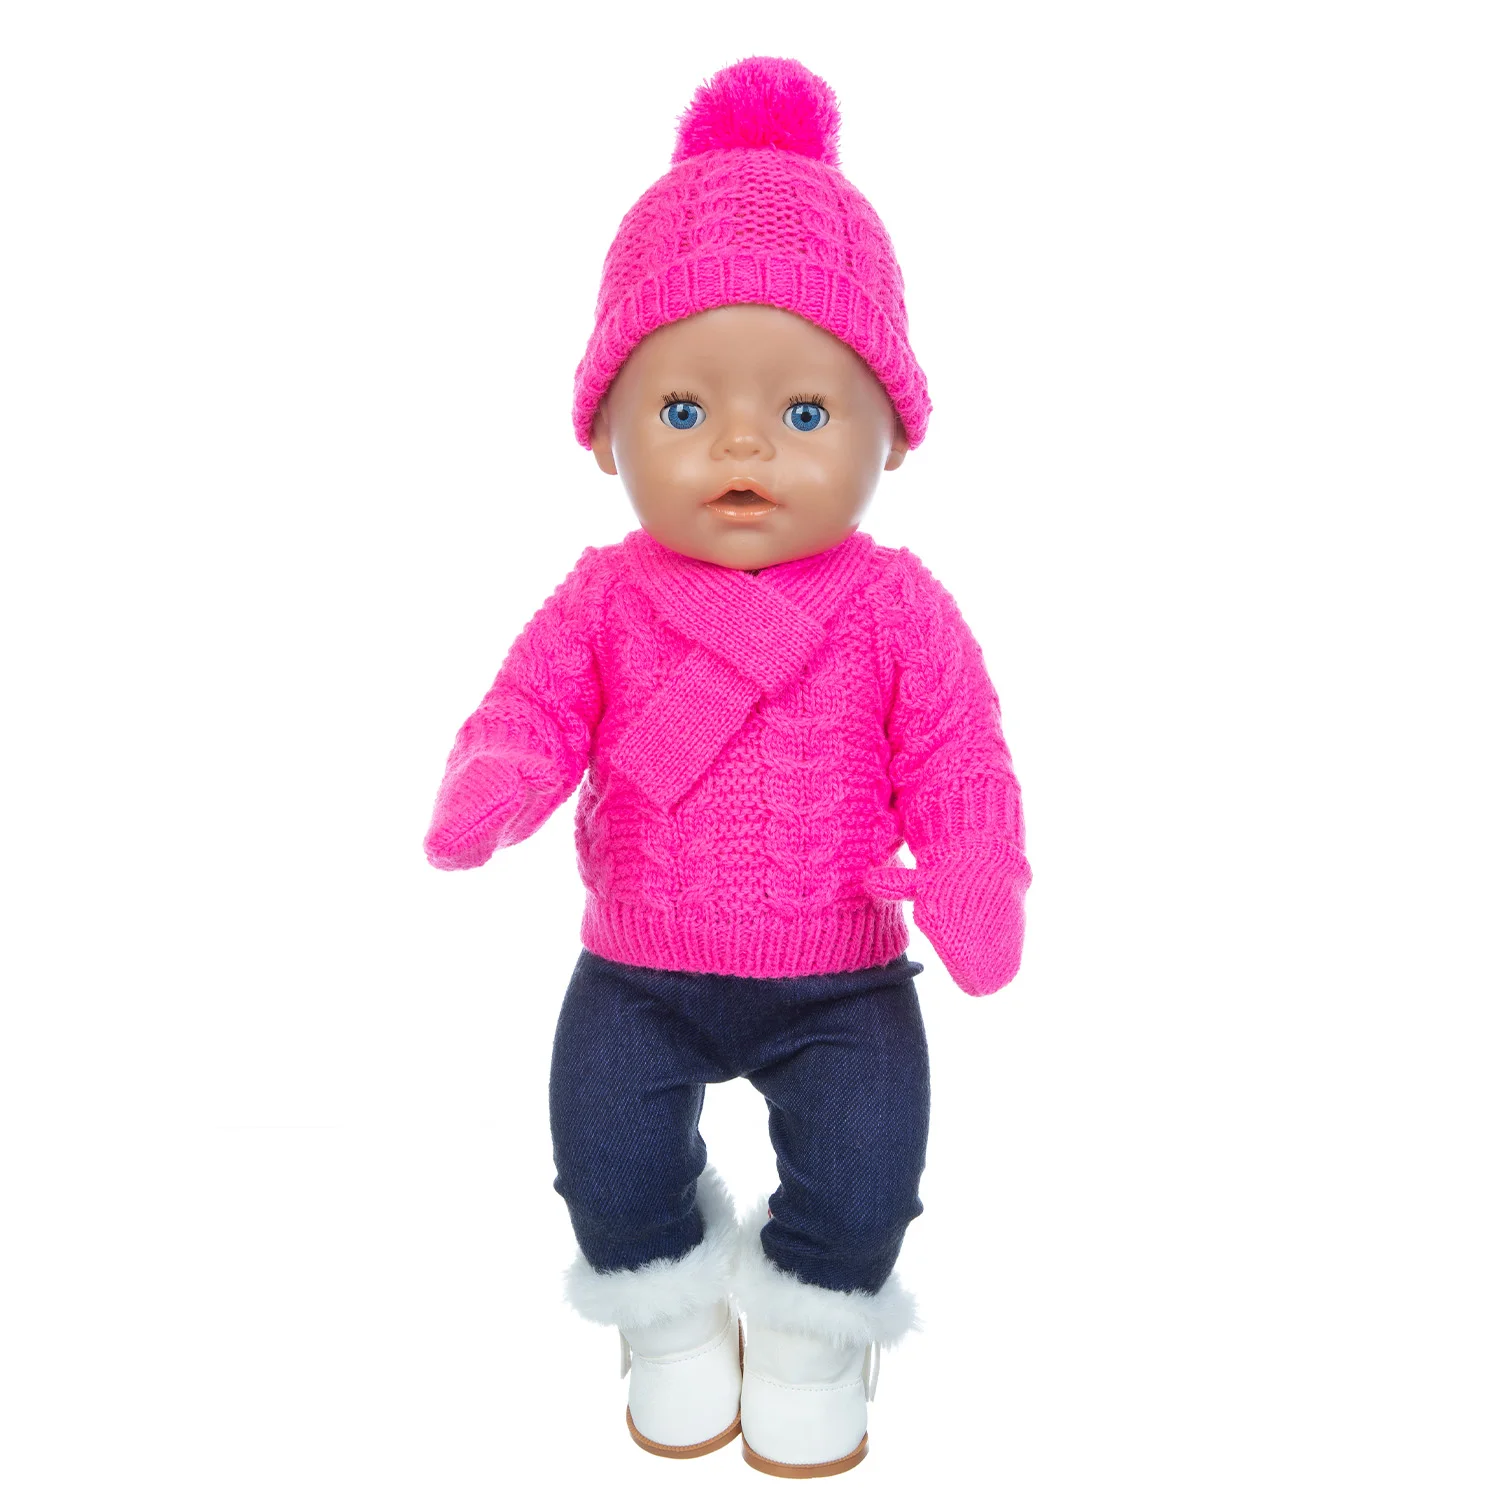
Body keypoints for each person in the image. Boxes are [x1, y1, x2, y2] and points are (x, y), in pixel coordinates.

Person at [423, 55, 1030, 1479]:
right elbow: (530, 705)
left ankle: (817, 1338)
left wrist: (974, 869)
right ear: (606, 433)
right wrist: (501, 768)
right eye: (684, 413)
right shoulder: (602, 596)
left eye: (805, 415)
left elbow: (960, 754)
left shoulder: (897, 608)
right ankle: (669, 1318)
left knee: (866, 1171)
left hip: (844, 978)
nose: (742, 446)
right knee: (603, 1157)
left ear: (892, 433)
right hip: (638, 968)